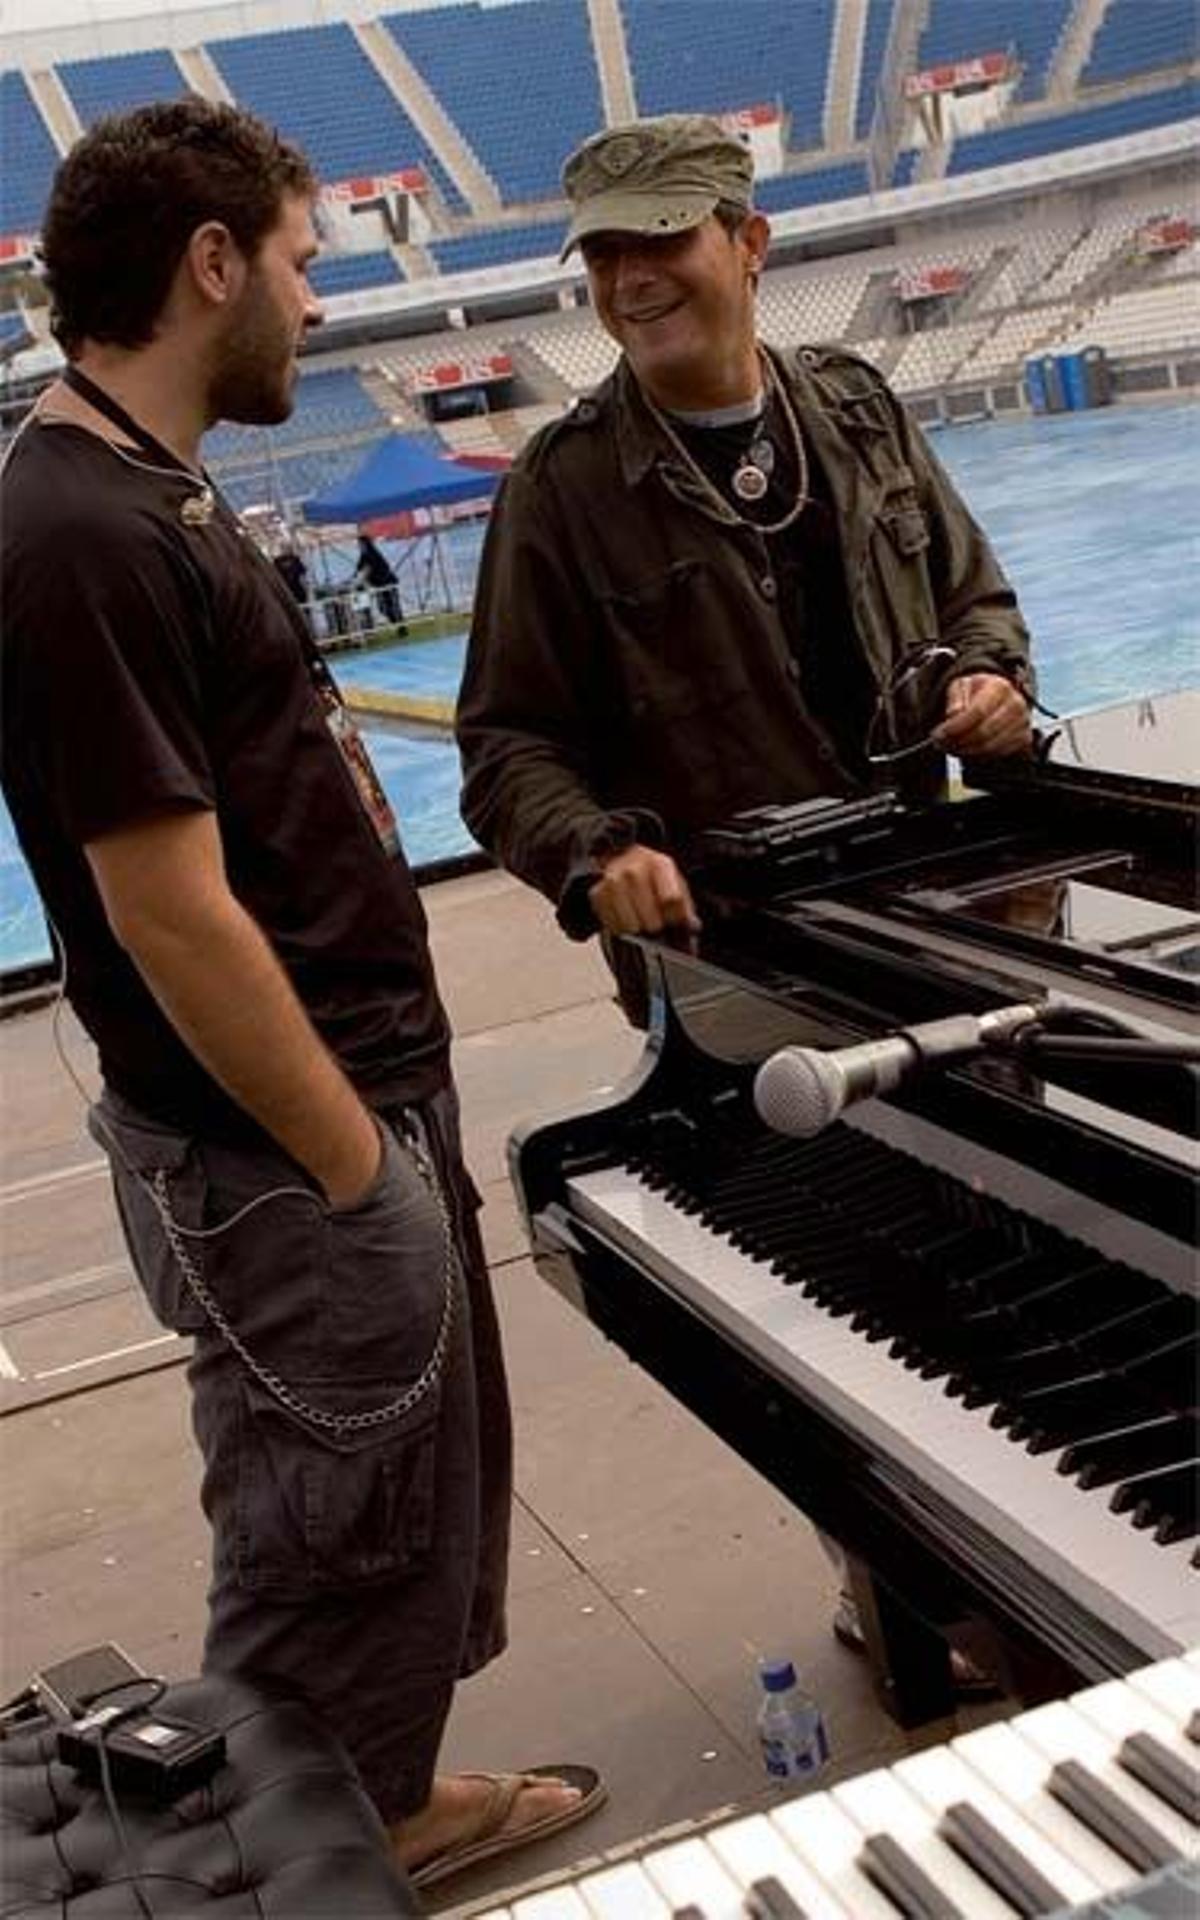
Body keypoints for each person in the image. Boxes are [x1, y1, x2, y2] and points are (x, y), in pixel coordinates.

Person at [0, 97, 603, 1889]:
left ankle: (382, 1805)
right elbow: (167, 910)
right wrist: (351, 1166)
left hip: (333, 1108)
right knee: (318, 1534)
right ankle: (278, 1864)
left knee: (397, 1520)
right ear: (211, 265)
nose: (320, 307)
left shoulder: (141, 489)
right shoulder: (79, 533)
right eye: (302, 263)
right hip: (281, 1148)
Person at [457, 113, 1036, 1691]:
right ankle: (893, 1582)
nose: (634, 282)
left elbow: (979, 592)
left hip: (943, 929)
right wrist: (592, 855)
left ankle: (1025, 1554)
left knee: (999, 1253)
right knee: (846, 1300)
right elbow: (505, 745)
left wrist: (989, 676)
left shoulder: (854, 410)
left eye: (665, 241)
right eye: (605, 256)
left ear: (750, 241)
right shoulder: (563, 493)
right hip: (741, 977)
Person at [353, 530, 406, 630]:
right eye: (359, 545)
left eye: (360, 544)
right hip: (379, 585)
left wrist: (361, 578)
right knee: (383, 607)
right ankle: (397, 623)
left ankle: (401, 626)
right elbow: (359, 569)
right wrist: (355, 578)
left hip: (388, 582)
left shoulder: (372, 554)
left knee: (393, 606)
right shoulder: (364, 556)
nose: (359, 547)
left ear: (365, 544)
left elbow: (367, 569)